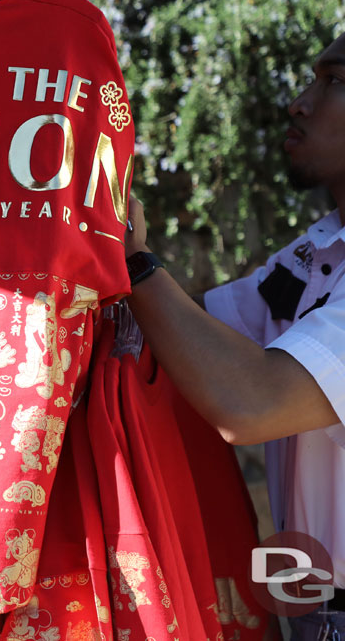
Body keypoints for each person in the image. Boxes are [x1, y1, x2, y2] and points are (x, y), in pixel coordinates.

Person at [125, 31, 345, 639]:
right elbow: (191, 336)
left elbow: (250, 401)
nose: (299, 102)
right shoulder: (321, 250)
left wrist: (134, 262)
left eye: (336, 83)